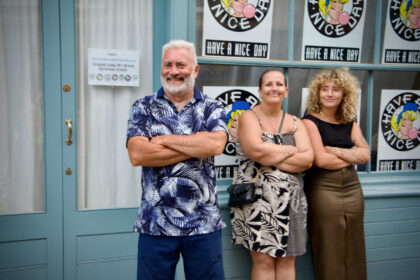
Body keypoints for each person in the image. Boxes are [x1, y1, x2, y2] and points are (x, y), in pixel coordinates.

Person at [126, 40, 228, 280]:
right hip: (155, 221)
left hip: (204, 222)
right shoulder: (143, 107)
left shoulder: (212, 106)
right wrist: (197, 144)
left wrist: (161, 140)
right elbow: (138, 154)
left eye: (180, 65)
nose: (173, 71)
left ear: (195, 70)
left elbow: (215, 144)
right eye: (167, 65)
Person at [230, 69, 314, 280]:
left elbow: (308, 160)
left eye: (279, 84)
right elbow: (255, 152)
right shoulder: (249, 117)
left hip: (292, 202)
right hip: (257, 200)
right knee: (263, 260)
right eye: (268, 84)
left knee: (288, 259)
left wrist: (270, 152)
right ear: (260, 91)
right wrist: (291, 149)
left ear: (286, 91)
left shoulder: (297, 123)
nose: (274, 88)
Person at [302, 68, 370, 280]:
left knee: (355, 244)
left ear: (344, 94)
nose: (329, 94)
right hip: (323, 190)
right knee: (329, 246)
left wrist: (335, 150)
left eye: (335, 89)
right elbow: (320, 160)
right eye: (324, 89)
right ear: (317, 93)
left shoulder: (351, 123)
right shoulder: (309, 122)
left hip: (353, 189)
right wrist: (352, 154)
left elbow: (366, 155)